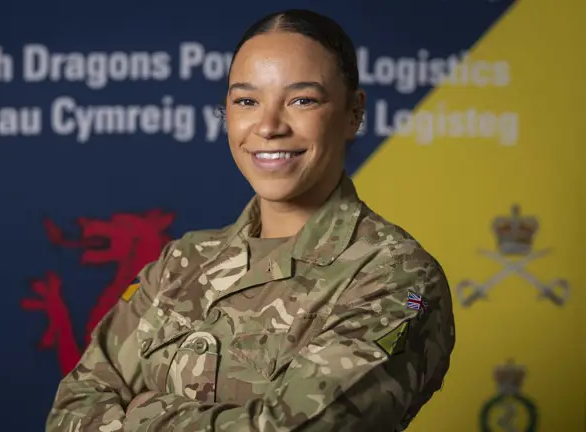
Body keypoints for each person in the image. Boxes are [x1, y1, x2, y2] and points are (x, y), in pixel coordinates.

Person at [46, 9, 455, 432]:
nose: (269, 126)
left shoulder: (395, 276)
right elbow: (71, 410)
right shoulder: (182, 263)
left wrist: (142, 412)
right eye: (246, 101)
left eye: (302, 100)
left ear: (354, 112)